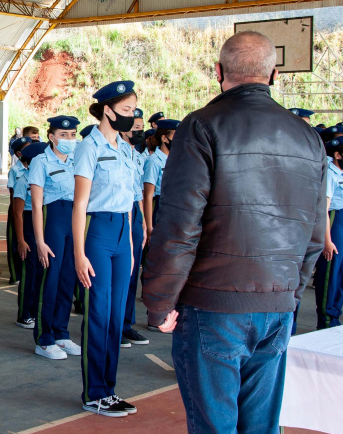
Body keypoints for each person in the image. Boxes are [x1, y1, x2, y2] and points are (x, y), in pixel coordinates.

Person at [142, 31, 327, 434]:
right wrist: (290, 293)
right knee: (262, 426)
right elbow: (315, 231)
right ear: (274, 74)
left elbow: (179, 225)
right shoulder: (308, 136)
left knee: (215, 426)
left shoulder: (201, 126)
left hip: (213, 303)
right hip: (277, 302)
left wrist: (160, 301)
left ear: (218, 71)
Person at [72, 81, 139, 418]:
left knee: (115, 315)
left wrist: (131, 246)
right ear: (108, 110)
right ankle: (94, 393)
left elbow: (129, 204)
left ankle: (109, 390)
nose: (132, 116)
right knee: (98, 313)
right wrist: (79, 253)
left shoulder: (126, 149)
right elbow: (80, 204)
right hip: (97, 231)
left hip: (122, 234)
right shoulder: (89, 148)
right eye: (126, 110)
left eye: (133, 110)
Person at [29, 116, 81, 360]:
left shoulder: (77, 160)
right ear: (51, 137)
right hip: (53, 220)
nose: (69, 139)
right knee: (49, 280)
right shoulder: (41, 162)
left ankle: (61, 333)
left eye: (73, 135)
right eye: (63, 134)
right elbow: (36, 206)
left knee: (68, 279)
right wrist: (40, 241)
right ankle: (44, 338)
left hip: (74, 220)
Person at [314, 134, 343, 329]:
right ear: (338, 155)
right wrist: (327, 240)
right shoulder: (331, 174)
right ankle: (326, 319)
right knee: (331, 272)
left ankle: (335, 315)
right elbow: (324, 209)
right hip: (335, 223)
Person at [120, 109, 149, 346]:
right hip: (119, 212)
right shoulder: (114, 151)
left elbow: (139, 192)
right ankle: (114, 325)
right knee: (119, 273)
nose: (138, 132)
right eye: (134, 128)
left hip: (135, 213)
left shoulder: (138, 156)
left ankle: (126, 324)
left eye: (140, 128)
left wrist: (145, 224)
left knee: (132, 273)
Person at [11, 141, 45, 331]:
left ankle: (35, 311)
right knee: (29, 273)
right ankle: (24, 314)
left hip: (41, 224)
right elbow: (17, 213)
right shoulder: (23, 180)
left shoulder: (43, 177)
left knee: (40, 272)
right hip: (28, 226)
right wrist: (21, 240)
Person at [142, 120, 179, 248]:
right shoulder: (154, 161)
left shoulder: (175, 159)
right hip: (159, 208)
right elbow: (147, 195)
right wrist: (149, 227)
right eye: (175, 135)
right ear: (164, 138)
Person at [5, 136, 31, 288]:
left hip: (27, 209)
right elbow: (12, 193)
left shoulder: (33, 168)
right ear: (19, 154)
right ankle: (15, 274)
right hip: (16, 207)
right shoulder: (15, 170)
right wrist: (15, 212)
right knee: (14, 240)